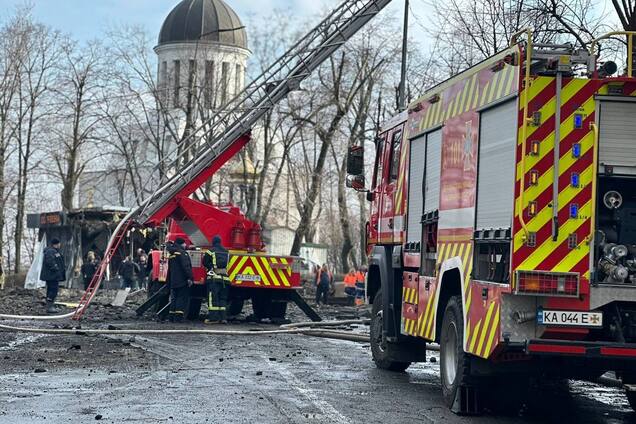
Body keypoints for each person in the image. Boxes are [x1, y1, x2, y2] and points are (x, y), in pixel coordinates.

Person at [203, 235, 231, 324]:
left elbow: (205, 262)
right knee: (223, 299)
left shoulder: (210, 252)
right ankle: (223, 318)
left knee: (213, 299)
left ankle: (213, 318)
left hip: (214, 279)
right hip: (225, 279)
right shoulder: (226, 252)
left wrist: (210, 267)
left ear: (213, 242)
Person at [167, 238, 194, 323]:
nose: (186, 245)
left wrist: (169, 281)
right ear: (181, 244)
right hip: (182, 280)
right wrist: (190, 277)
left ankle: (171, 317)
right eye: (184, 243)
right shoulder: (182, 253)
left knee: (174, 298)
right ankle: (178, 318)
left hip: (173, 280)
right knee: (181, 298)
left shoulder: (172, 254)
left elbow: (169, 269)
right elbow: (186, 266)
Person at [39, 238, 66, 314]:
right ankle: (50, 306)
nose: (60, 245)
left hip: (53, 275)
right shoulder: (51, 251)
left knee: (51, 289)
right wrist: (56, 268)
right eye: (59, 243)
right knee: (54, 290)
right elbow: (50, 261)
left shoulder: (54, 251)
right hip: (52, 275)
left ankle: (50, 305)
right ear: (56, 244)